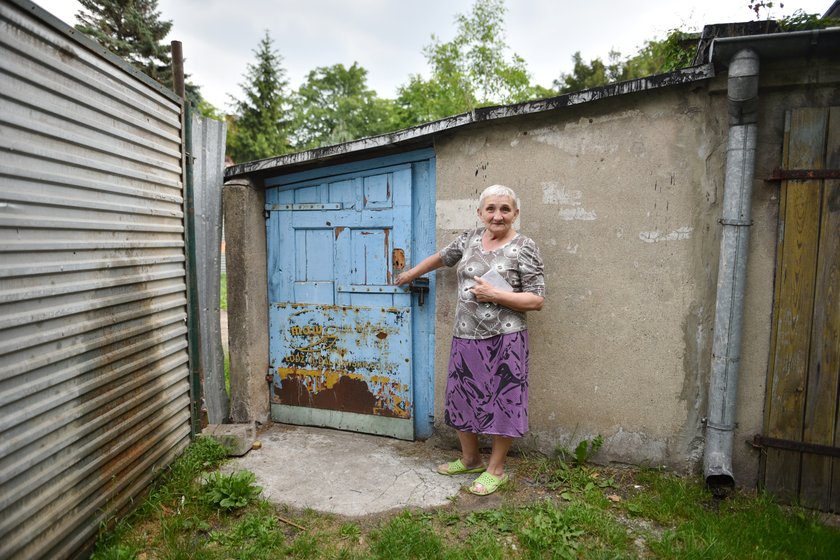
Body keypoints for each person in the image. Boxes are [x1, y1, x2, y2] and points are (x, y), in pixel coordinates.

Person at [394, 184, 545, 495]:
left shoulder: (525, 246)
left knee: (504, 400)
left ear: (515, 213)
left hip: (506, 338)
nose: (498, 215)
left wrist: (495, 294)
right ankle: (471, 458)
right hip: (465, 334)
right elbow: (441, 257)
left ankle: (496, 468)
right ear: (480, 213)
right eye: (491, 209)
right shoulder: (470, 238)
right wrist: (411, 274)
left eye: (505, 209)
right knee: (462, 396)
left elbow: (536, 300)